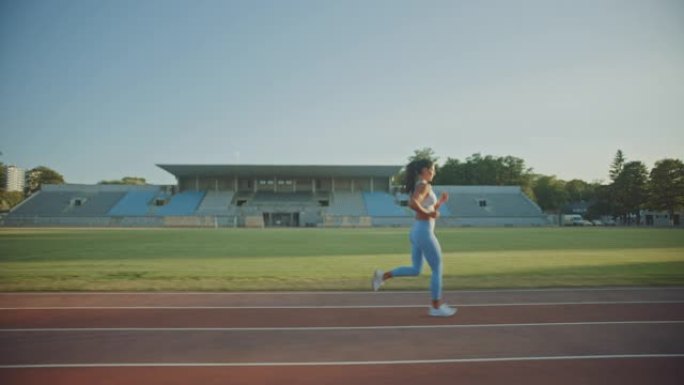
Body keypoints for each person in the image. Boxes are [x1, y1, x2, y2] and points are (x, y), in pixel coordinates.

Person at [371, 158, 456, 317]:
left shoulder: (420, 185)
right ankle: (436, 307)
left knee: (416, 270)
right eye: (433, 169)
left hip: (417, 231)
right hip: (423, 232)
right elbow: (413, 204)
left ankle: (382, 276)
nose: (434, 172)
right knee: (437, 268)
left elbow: (425, 207)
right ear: (425, 170)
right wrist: (430, 213)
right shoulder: (424, 185)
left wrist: (440, 204)